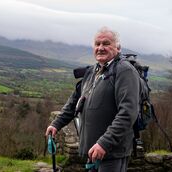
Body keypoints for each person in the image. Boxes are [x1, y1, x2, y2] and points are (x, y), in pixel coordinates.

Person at [45, 27, 140, 172]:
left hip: (112, 153)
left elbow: (128, 113)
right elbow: (74, 102)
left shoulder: (124, 71)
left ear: (117, 47)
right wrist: (56, 124)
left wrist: (104, 143)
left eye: (106, 43)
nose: (100, 48)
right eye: (97, 44)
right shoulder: (92, 71)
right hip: (93, 151)